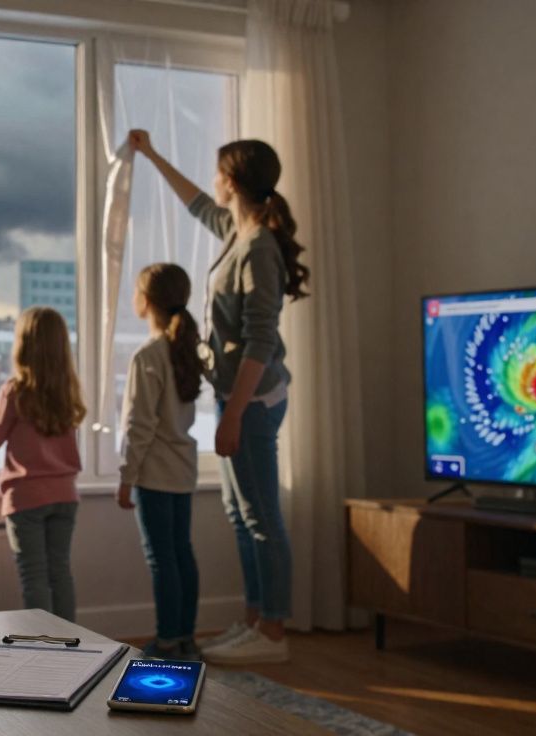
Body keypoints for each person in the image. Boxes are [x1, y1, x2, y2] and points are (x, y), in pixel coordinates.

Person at [130, 129, 309, 665]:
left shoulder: (259, 249)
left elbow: (260, 341)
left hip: (253, 401)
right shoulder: (237, 229)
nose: (212, 181)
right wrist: (152, 154)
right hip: (236, 398)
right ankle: (254, 619)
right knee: (239, 512)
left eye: (217, 172)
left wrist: (233, 416)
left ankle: (272, 630)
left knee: (261, 518)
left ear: (232, 179)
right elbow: (197, 204)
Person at [0, 307, 85, 622]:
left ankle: (42, 643)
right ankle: (71, 642)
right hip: (65, 496)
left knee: (34, 577)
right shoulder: (67, 391)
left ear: (23, 345)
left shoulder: (16, 390)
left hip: (26, 499)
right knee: (60, 572)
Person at [116, 263, 203, 658]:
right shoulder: (184, 350)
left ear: (146, 300)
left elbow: (139, 425)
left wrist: (126, 477)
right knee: (181, 553)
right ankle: (185, 637)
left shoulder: (148, 355)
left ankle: (167, 640)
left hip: (154, 474)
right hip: (183, 471)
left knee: (162, 558)